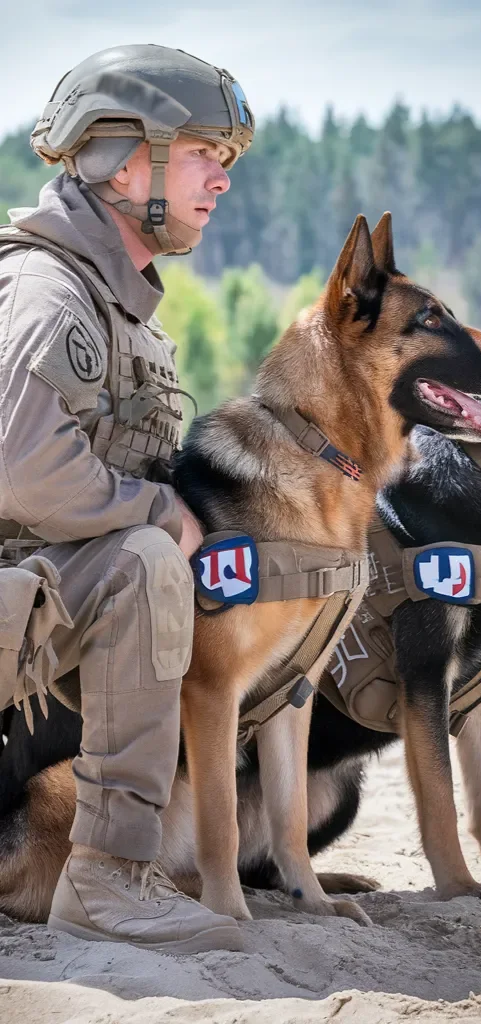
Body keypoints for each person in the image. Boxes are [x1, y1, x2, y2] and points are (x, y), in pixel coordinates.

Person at [0, 44, 254, 953]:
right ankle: (105, 881)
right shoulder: (48, 293)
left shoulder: (109, 301)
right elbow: (26, 472)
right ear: (123, 156)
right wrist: (161, 517)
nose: (221, 180)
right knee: (145, 561)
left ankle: (107, 875)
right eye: (201, 154)